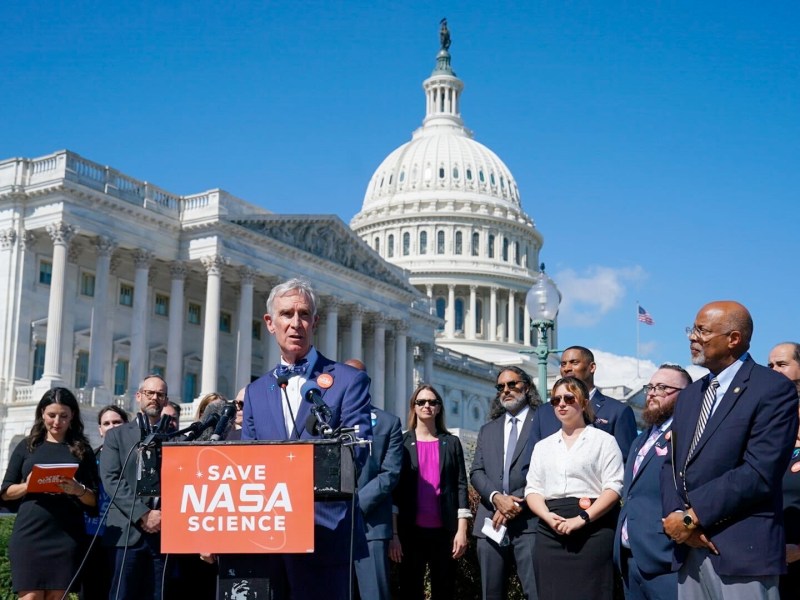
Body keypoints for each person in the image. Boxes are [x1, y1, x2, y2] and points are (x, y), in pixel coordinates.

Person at [241, 278, 373, 599]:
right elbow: (247, 462)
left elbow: (355, 452)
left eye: (303, 314)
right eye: (286, 314)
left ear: (315, 322)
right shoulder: (256, 392)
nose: (295, 323)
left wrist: (291, 481)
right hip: (268, 538)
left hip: (326, 532)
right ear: (271, 324)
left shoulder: (348, 381)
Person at [661, 301, 798, 599]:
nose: (692, 337)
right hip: (690, 549)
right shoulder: (690, 396)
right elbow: (671, 465)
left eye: (702, 330)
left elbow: (759, 471)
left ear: (733, 339)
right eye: (692, 329)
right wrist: (677, 518)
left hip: (742, 552)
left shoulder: (772, 388)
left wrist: (693, 517)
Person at [525, 376, 623, 600]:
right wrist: (548, 517)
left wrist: (583, 519)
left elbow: (613, 487)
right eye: (555, 399)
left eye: (569, 398)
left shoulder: (604, 441)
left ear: (584, 402)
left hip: (593, 528)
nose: (561, 403)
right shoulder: (542, 447)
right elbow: (533, 490)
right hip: (550, 529)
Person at [1, 387, 99, 600]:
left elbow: (94, 501)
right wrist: (27, 486)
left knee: (57, 597)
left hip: (66, 535)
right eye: (51, 415)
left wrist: (78, 489)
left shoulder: (82, 449)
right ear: (42, 414)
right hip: (30, 534)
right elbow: (5, 492)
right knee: (30, 597)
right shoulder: (27, 447)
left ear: (72, 415)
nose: (57, 421)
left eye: (63, 416)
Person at [614, 364, 692, 600]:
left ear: (685, 395)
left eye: (662, 387)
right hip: (630, 558)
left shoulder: (687, 436)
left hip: (665, 558)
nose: (652, 393)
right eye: (650, 387)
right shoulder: (642, 440)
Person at [389, 384, 471, 600]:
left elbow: (461, 485)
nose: (427, 406)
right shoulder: (402, 443)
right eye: (421, 402)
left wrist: (462, 531)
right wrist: (394, 535)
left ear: (439, 408)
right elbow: (394, 492)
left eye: (432, 402)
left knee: (444, 590)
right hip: (410, 532)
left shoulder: (451, 442)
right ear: (413, 407)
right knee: (409, 590)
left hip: (445, 532)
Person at [470, 366, 541, 600]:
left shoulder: (542, 423)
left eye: (513, 384)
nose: (506, 390)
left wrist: (513, 502)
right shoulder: (488, 429)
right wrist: (497, 498)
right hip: (491, 522)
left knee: (536, 592)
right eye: (501, 387)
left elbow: (545, 471)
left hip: (529, 523)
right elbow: (477, 472)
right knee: (491, 594)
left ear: (527, 387)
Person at [99, 374, 170, 600]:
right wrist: (144, 514)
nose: (154, 398)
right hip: (127, 533)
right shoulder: (116, 436)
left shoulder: (176, 437)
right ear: (139, 396)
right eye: (150, 393)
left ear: (166, 401)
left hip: (164, 533)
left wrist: (161, 516)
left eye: (160, 395)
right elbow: (111, 479)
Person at [346, 358, 404, 600]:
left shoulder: (387, 423)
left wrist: (356, 504)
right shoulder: (323, 421)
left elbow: (390, 473)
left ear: (366, 383)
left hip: (370, 526)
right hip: (330, 525)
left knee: (374, 595)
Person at [530, 345, 637, 461]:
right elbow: (531, 461)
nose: (567, 368)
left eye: (574, 363)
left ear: (592, 367)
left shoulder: (618, 411)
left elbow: (627, 462)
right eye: (563, 364)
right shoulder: (544, 412)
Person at [80, 405, 129, 600]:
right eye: (106, 423)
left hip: (123, 537)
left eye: (117, 422)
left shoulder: (135, 456)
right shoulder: (90, 457)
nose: (111, 427)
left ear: (126, 426)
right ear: (99, 429)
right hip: (93, 535)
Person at [768, 342, 800, 599]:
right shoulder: (768, 433)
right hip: (767, 561)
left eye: (782, 364)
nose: (774, 371)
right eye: (770, 366)